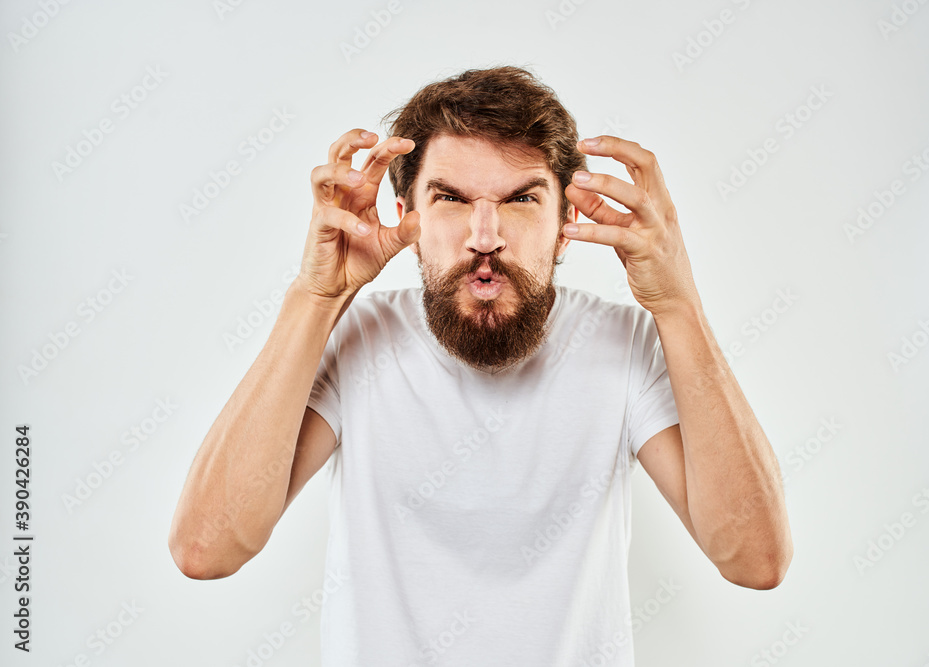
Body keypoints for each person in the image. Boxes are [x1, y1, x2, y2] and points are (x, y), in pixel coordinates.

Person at [168, 65, 792, 666]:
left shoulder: (622, 343)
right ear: (408, 214)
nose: (485, 236)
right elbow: (206, 548)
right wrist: (316, 299)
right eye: (451, 198)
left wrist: (679, 303)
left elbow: (755, 559)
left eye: (521, 198)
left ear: (566, 218)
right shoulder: (357, 335)